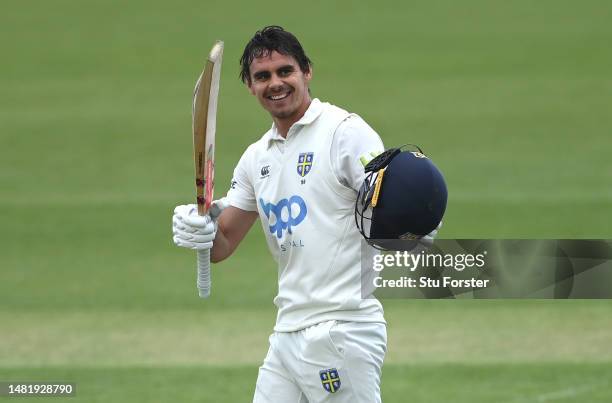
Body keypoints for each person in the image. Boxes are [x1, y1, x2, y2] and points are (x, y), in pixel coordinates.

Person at [173, 25, 388, 402]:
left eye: (285, 71)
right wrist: (200, 229)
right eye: (262, 76)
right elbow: (222, 244)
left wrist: (413, 225)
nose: (276, 83)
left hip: (341, 328)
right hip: (287, 333)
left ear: (307, 72)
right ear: (250, 87)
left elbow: (391, 207)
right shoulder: (257, 158)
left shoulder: (344, 133)